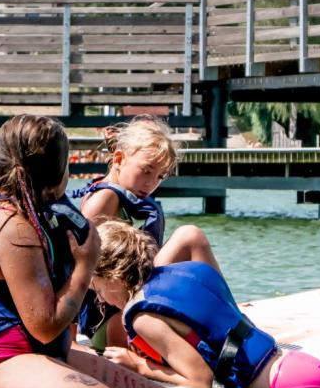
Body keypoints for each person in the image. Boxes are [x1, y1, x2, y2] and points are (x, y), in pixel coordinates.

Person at [0, 114, 182, 388]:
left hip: (39, 352)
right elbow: (44, 327)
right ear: (59, 169)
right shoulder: (11, 228)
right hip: (0, 361)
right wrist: (86, 264)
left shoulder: (36, 214)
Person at [91, 220, 320, 388]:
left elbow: (201, 382)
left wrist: (138, 365)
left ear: (114, 275)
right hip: (300, 364)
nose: (100, 298)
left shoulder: (142, 318)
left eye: (98, 288)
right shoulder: (190, 271)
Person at [73, 115, 220, 349]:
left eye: (160, 176)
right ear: (119, 158)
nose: (151, 182)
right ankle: (223, 316)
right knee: (190, 237)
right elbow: (83, 270)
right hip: (111, 321)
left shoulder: (125, 197)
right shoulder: (105, 199)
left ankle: (220, 310)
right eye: (146, 170)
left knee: (190, 240)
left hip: (133, 306)